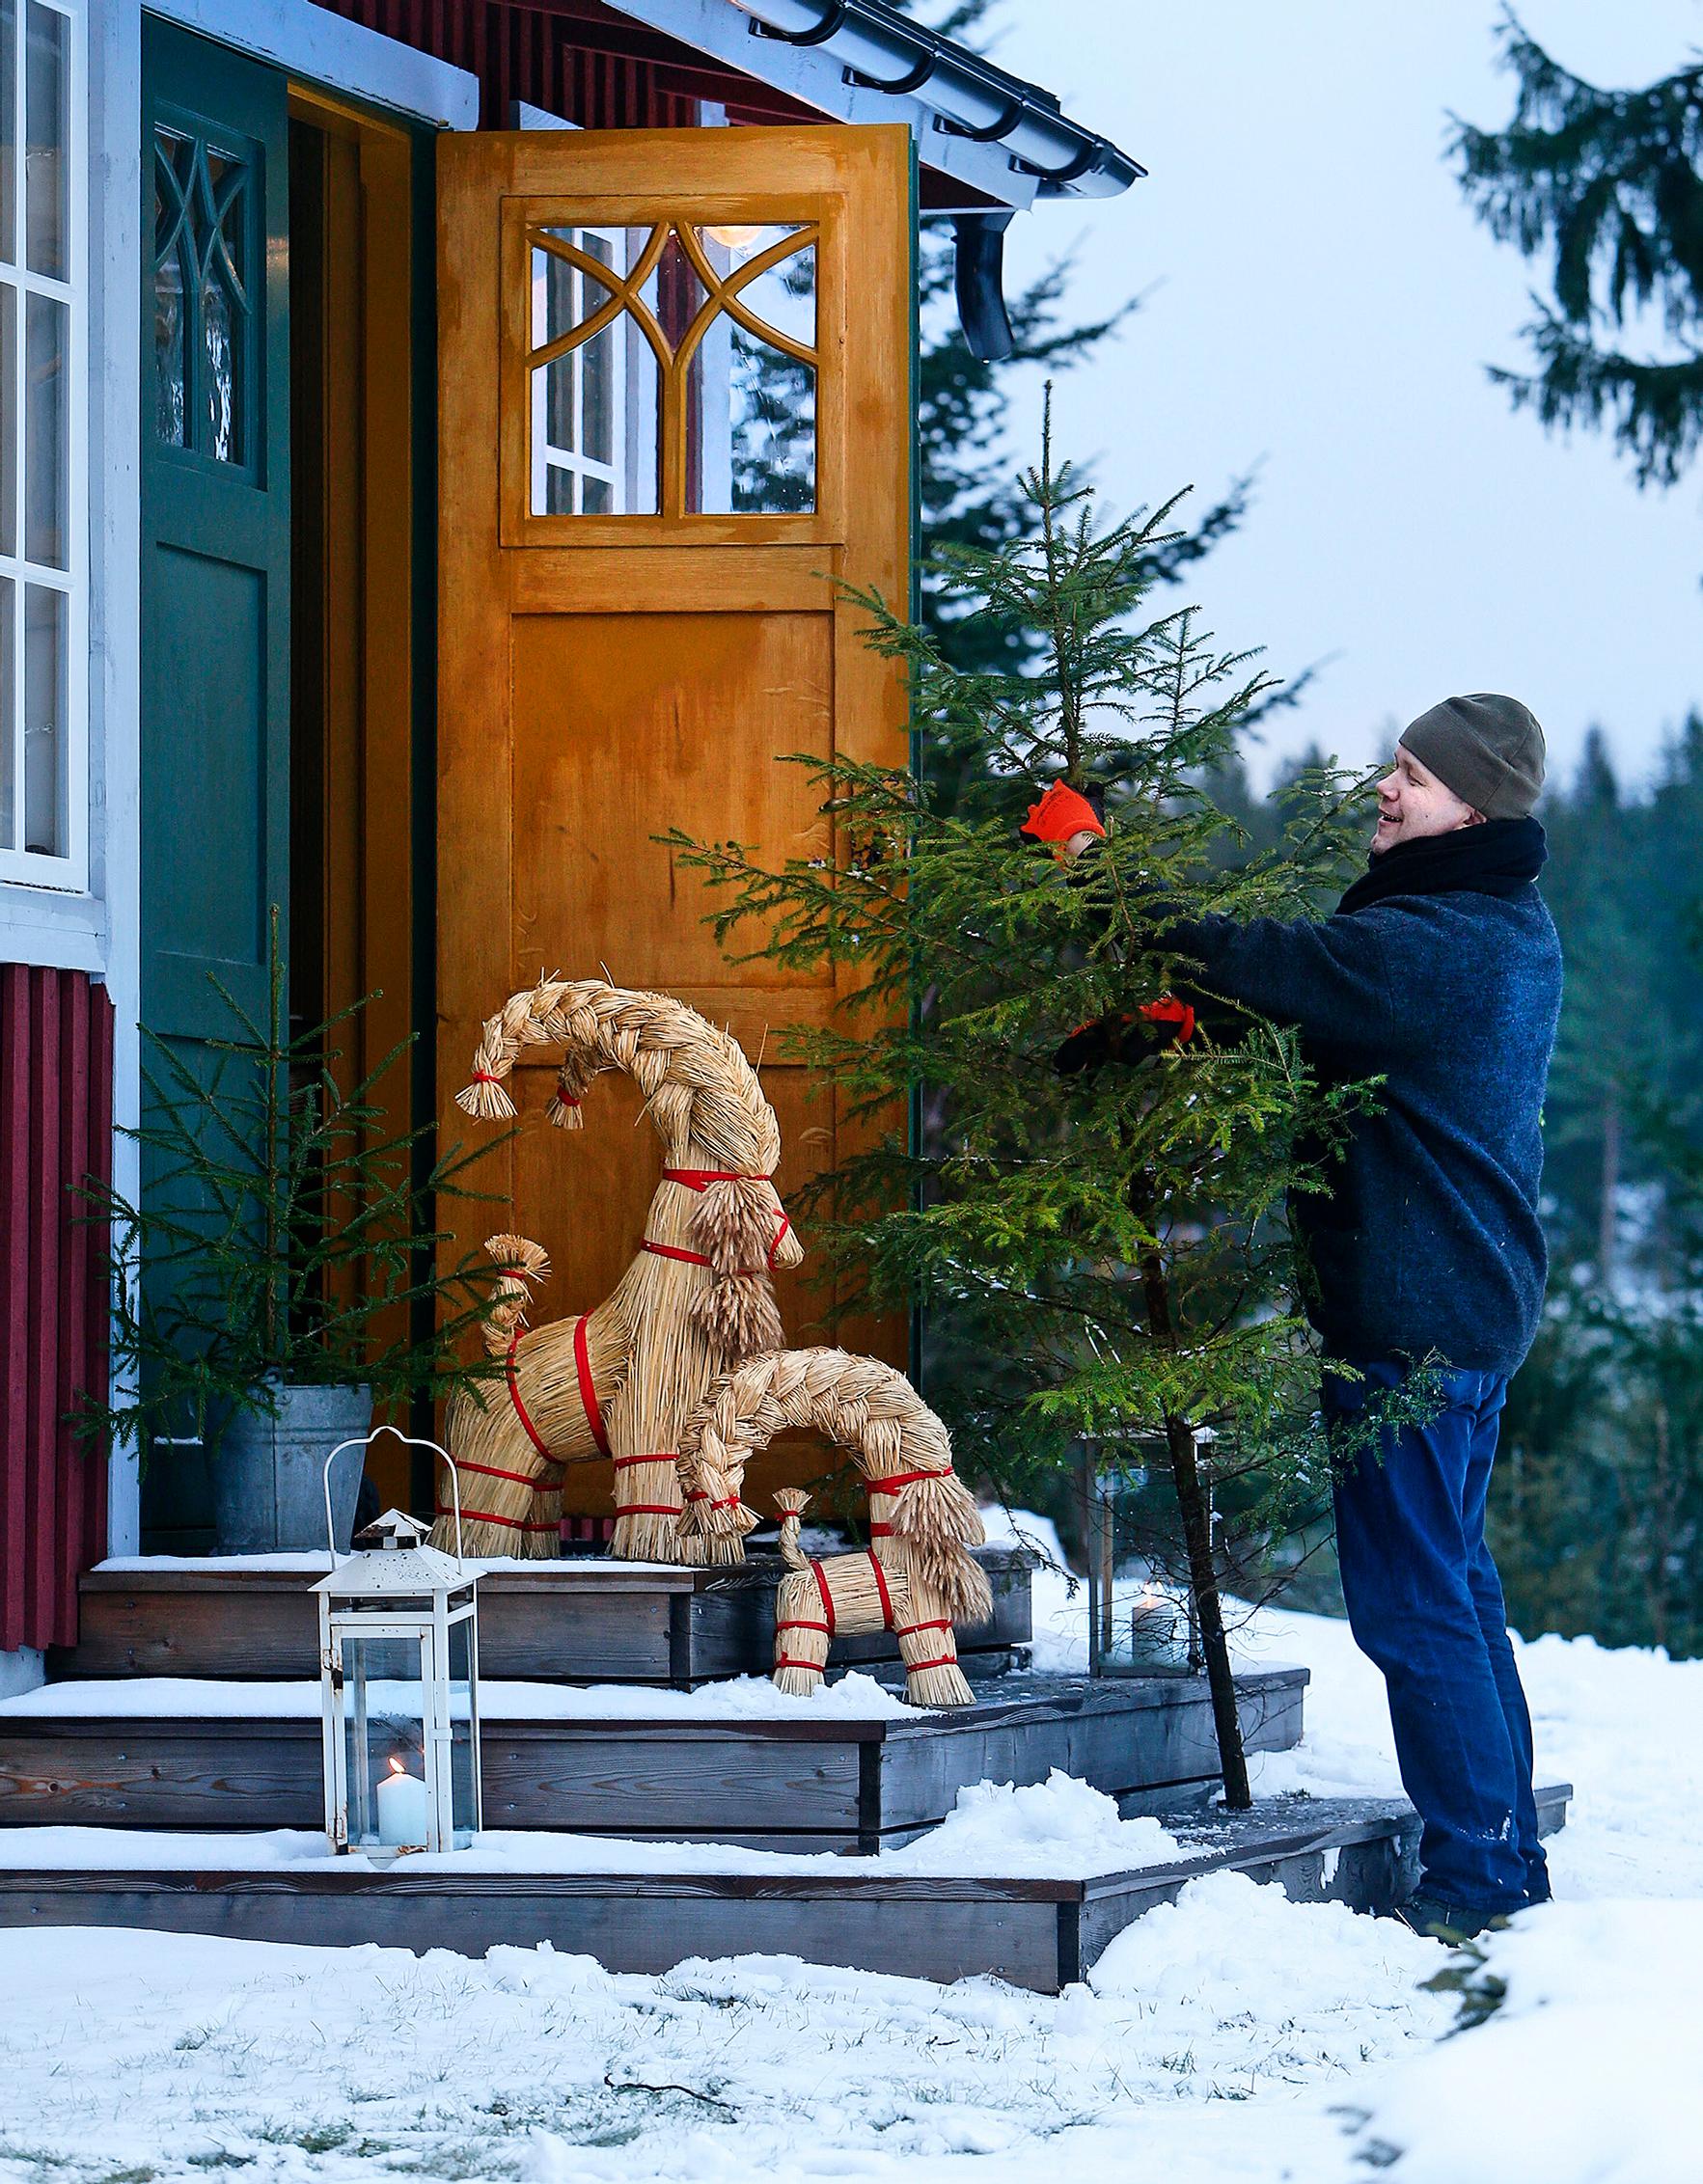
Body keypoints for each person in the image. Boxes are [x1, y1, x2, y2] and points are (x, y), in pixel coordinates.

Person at [1049, 695, 1561, 1940]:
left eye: (1414, 778)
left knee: (1408, 1600)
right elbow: (1329, 1008)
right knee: (1454, 1583)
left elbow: (1290, 964)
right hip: (1467, 1317)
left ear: (1472, 808)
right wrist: (1180, 1026)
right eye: (1394, 768)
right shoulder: (1500, 925)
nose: (1387, 790)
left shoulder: (1447, 938)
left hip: (1415, 1327)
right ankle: (1499, 1858)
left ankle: (1477, 1878)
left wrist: (1090, 866)